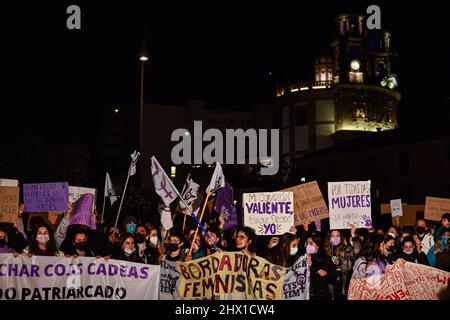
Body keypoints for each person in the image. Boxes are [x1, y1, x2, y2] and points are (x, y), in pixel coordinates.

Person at [306, 233, 337, 300]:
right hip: (305, 295)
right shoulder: (302, 258)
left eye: (311, 243)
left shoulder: (326, 259)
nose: (308, 245)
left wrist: (326, 274)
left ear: (318, 245)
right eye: (307, 243)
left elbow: (334, 278)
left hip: (321, 295)